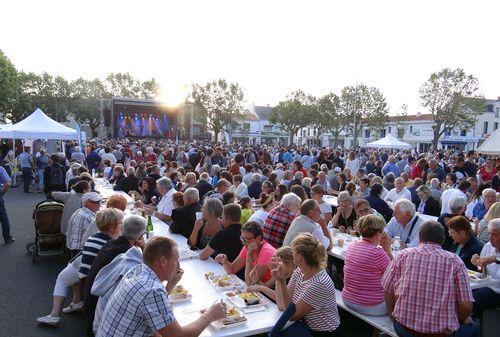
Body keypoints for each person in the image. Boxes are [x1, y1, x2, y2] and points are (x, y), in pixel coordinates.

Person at [96, 237, 227, 337]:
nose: (179, 266)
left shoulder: (138, 270)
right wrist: (210, 315)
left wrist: (170, 285)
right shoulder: (152, 290)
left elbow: (150, 307)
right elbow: (179, 336)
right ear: (163, 261)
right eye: (176, 260)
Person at [382, 221, 477, 337]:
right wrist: (460, 318)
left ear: (420, 237)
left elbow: (387, 289)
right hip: (439, 333)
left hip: (403, 328)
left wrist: (393, 315)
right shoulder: (455, 261)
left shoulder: (403, 255)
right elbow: (466, 306)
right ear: (442, 239)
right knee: (473, 326)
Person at [37, 208, 124, 327]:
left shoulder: (92, 238)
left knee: (64, 277)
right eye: (121, 224)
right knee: (63, 278)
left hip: (84, 270)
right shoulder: (111, 245)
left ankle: (68, 307)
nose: (122, 226)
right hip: (94, 283)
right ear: (112, 227)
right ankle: (56, 314)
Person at [83, 215, 146, 336]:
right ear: (141, 237)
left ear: (122, 229)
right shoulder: (127, 255)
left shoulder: (111, 243)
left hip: (91, 301)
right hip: (101, 312)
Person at [273, 233, 341, 336]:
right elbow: (282, 305)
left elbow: (291, 315)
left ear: (299, 257)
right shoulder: (300, 271)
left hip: (322, 333)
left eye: (293, 252)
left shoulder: (319, 284)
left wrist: (282, 282)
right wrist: (278, 280)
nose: (292, 255)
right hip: (304, 326)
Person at [342, 214, 392, 316]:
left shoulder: (352, 246)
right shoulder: (378, 253)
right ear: (378, 233)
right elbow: (394, 274)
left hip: (347, 299)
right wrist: (387, 250)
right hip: (370, 306)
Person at [472, 219, 500, 316]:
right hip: (486, 285)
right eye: (489, 234)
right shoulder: (488, 246)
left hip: (496, 291)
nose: (490, 238)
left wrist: (495, 259)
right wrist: (478, 264)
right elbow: (482, 271)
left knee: (476, 296)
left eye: (494, 235)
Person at [0, 165, 14, 244]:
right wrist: (2, 193)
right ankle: (7, 238)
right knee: (3, 217)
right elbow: (8, 184)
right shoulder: (1, 169)